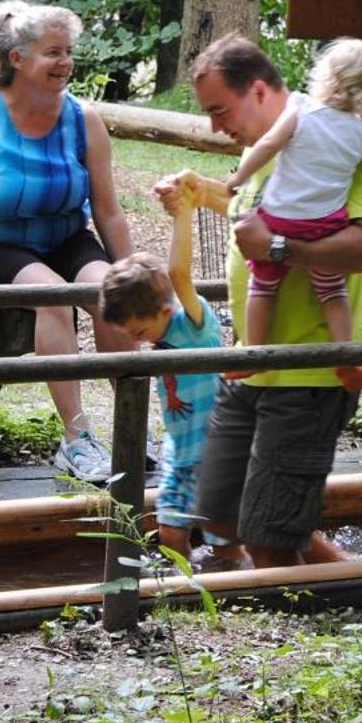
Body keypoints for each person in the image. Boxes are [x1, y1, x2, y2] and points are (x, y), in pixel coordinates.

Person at [154, 33, 362, 569]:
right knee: (216, 515)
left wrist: (281, 248)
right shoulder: (267, 151)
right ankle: (352, 579)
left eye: (220, 110)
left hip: (306, 376)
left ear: (258, 91)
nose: (215, 125)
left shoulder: (338, 147)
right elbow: (255, 216)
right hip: (251, 367)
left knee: (270, 536)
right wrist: (199, 192)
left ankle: (315, 624)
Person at [0, 0, 137, 484]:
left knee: (111, 293)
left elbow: (107, 209)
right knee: (53, 297)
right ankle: (76, 439)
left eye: (69, 52)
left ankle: (129, 431)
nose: (65, 63)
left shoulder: (84, 119)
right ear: (17, 59)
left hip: (62, 237)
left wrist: (133, 272)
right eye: (53, 52)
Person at [215, 38, 362, 395]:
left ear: (323, 76)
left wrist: (236, 178)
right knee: (332, 291)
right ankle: (345, 357)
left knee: (262, 286)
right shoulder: (361, 132)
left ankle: (255, 353)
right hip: (325, 225)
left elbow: (267, 146)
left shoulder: (300, 109)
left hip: (282, 219)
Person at [98, 173, 239, 564]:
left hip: (217, 450)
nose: (139, 340)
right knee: (169, 530)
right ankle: (185, 587)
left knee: (225, 536)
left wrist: (183, 212)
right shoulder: (158, 335)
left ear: (164, 310)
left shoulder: (195, 325)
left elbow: (178, 273)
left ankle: (234, 583)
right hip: (180, 450)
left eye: (140, 331)